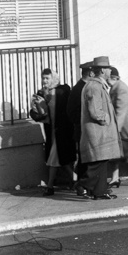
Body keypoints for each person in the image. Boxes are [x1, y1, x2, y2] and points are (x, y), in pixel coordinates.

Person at [79, 56, 120, 200]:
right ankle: (83, 184)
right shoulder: (94, 86)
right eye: (108, 68)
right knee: (97, 163)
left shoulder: (97, 85)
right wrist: (106, 118)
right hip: (97, 132)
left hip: (99, 132)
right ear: (102, 70)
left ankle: (99, 191)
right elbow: (95, 111)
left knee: (101, 161)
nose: (110, 71)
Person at [30, 68, 76, 196]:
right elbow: (37, 114)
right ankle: (75, 181)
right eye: (43, 78)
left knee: (55, 158)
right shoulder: (40, 93)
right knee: (59, 159)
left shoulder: (63, 91)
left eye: (47, 78)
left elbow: (70, 109)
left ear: (53, 78)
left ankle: (52, 186)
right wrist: (38, 108)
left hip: (63, 131)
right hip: (51, 132)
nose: (44, 81)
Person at [67, 62, 93, 197]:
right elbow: (71, 112)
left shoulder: (82, 87)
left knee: (85, 160)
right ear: (90, 73)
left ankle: (84, 186)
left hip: (83, 130)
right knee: (85, 160)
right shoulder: (81, 89)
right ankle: (81, 185)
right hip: (82, 131)